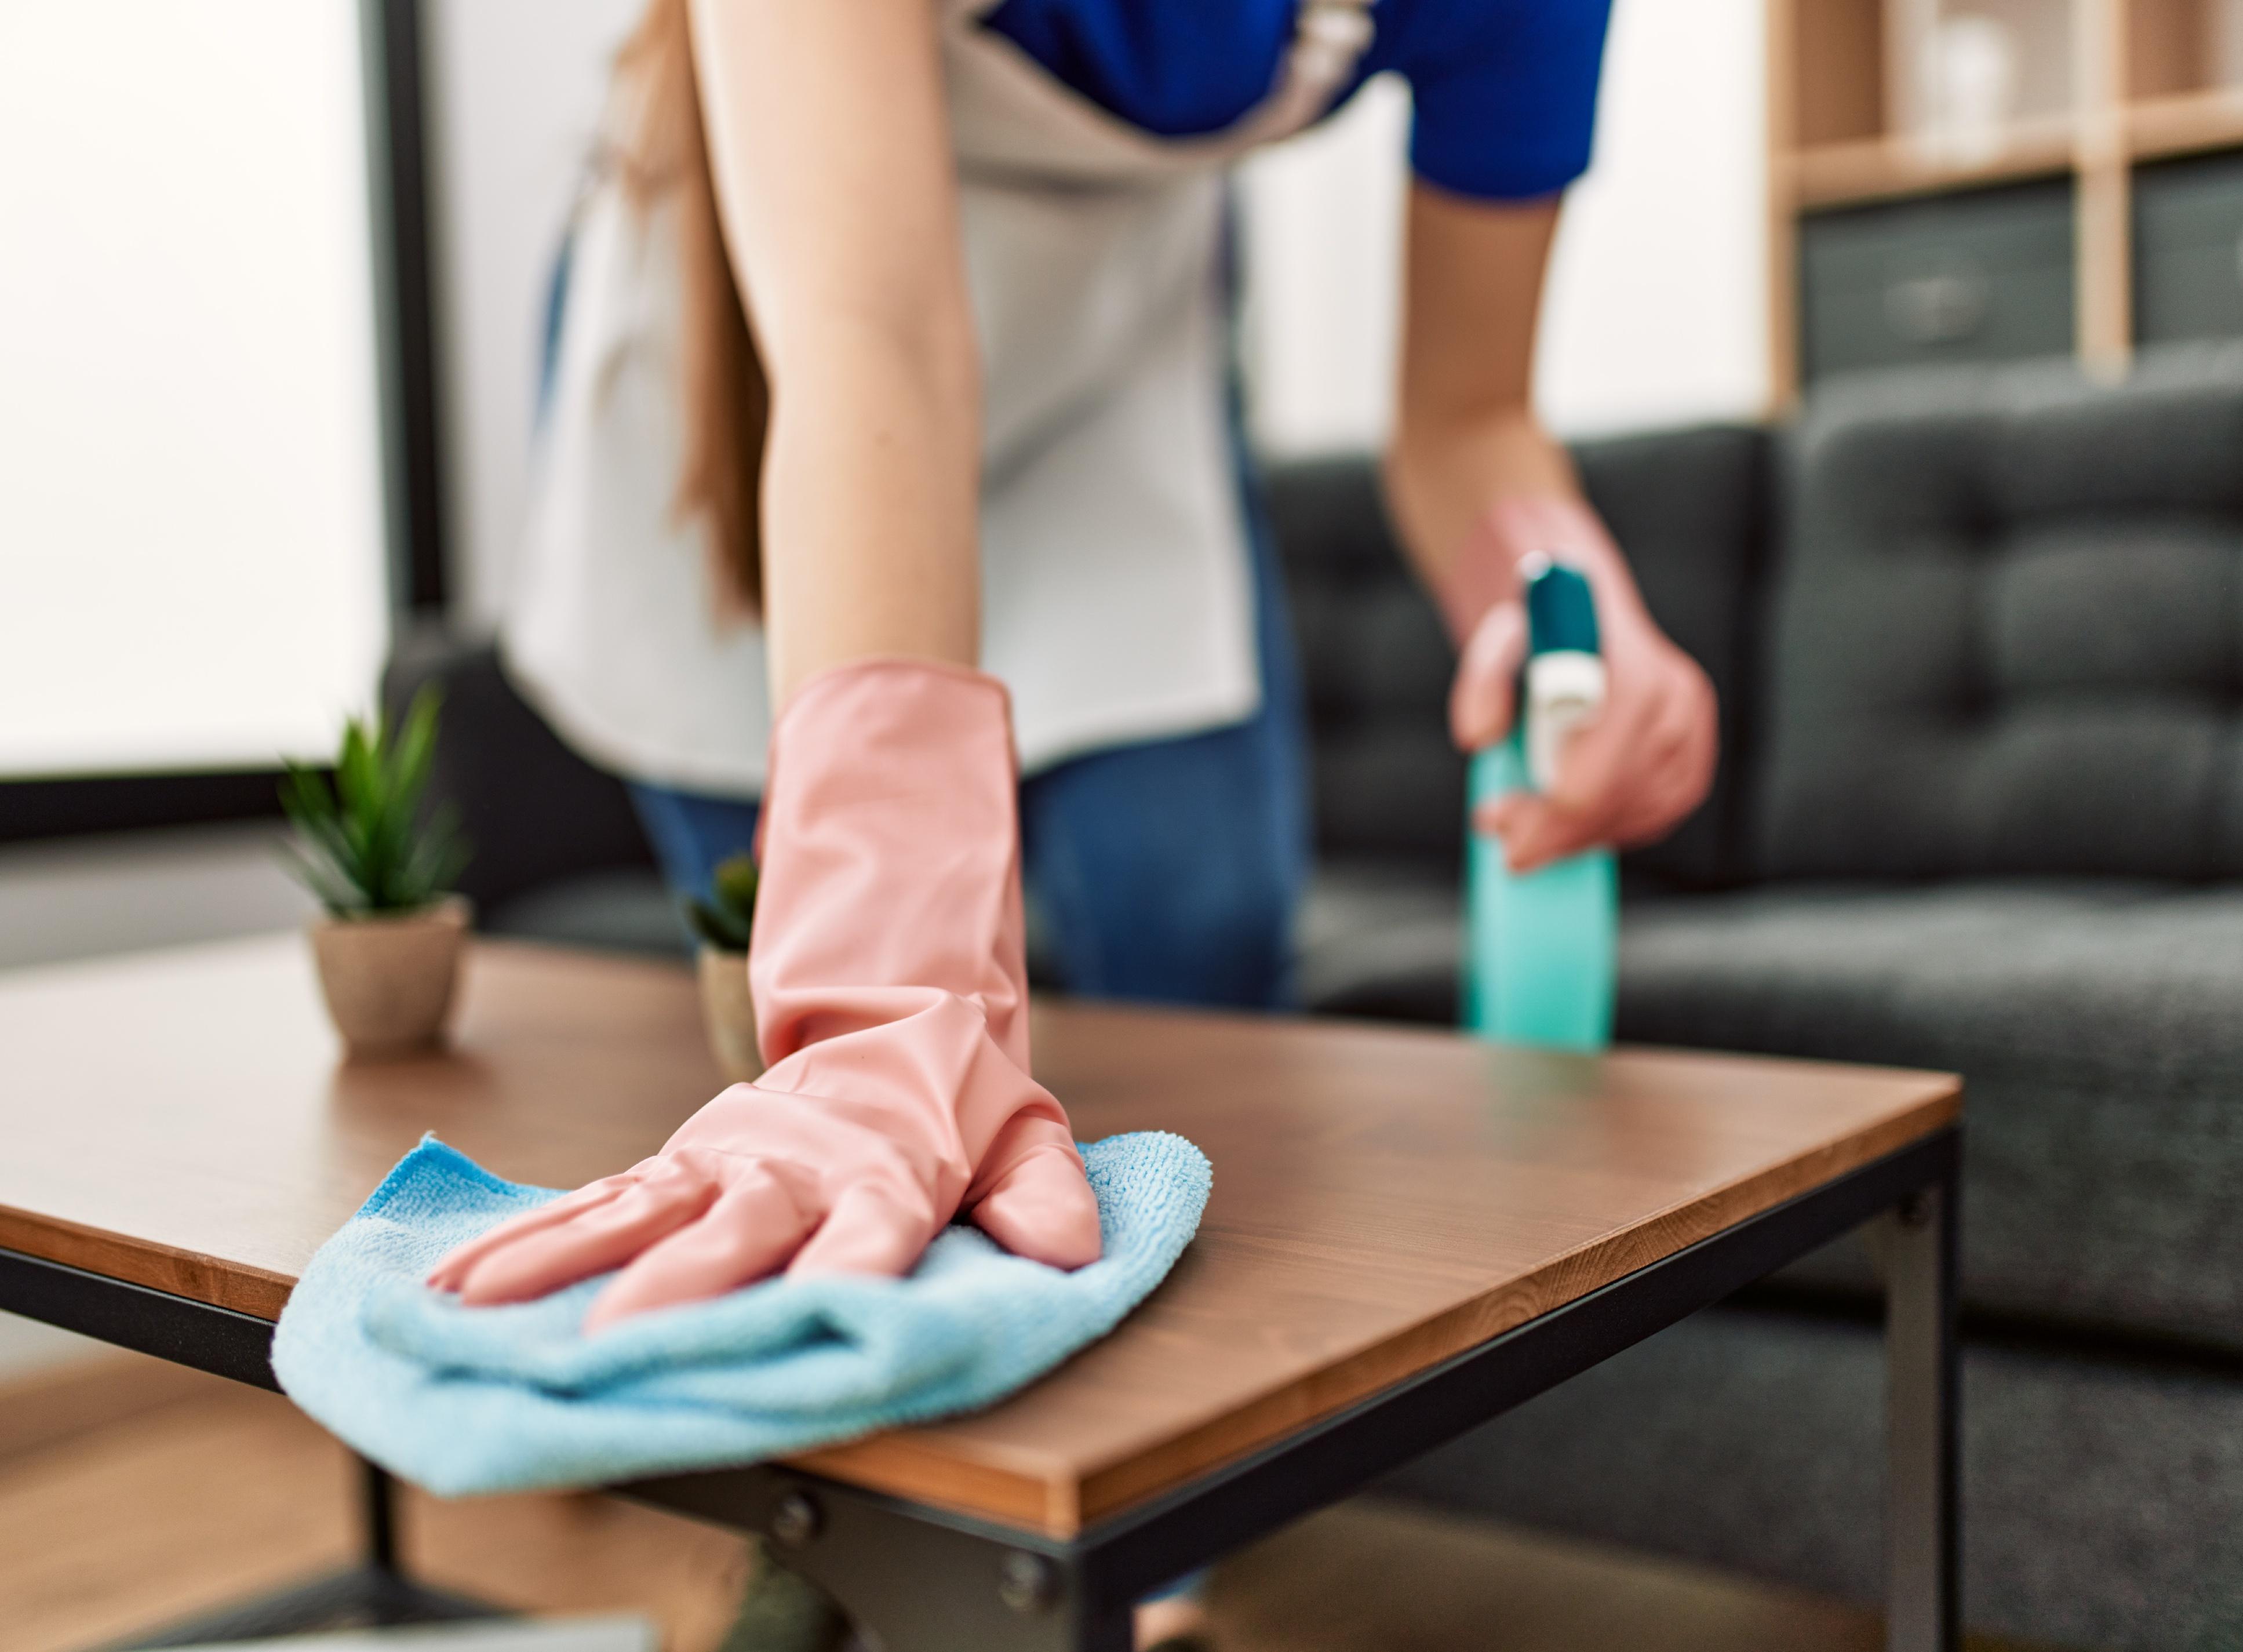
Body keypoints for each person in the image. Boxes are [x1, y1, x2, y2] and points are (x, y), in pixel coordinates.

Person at [439, 1, 1716, 1643]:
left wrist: (1564, 590)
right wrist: (882, 992)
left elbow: (1466, 414)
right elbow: (873, 336)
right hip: (777, 348)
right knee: (805, 1017)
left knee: (1197, 935)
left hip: (1112, 349)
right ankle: (836, 1531)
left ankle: (1133, 1558)